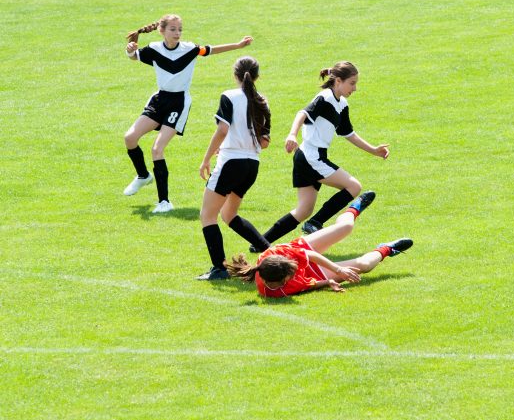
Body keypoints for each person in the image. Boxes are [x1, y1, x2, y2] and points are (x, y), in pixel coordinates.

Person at [123, 14, 253, 213]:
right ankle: (143, 176)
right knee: (130, 138)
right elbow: (134, 57)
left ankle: (164, 202)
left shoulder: (190, 49)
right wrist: (130, 50)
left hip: (179, 103)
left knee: (157, 149)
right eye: (173, 29)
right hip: (159, 100)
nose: (177, 33)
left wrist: (237, 45)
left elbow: (210, 50)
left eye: (179, 29)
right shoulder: (154, 49)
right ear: (162, 31)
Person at [254, 61, 390, 248]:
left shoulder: (341, 104)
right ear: (338, 81)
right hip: (312, 157)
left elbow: (348, 133)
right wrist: (292, 134)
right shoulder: (324, 97)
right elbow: (302, 113)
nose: (355, 88)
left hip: (306, 157)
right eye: (352, 83)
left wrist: (373, 150)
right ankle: (315, 223)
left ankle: (260, 243)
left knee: (303, 210)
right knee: (353, 186)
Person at [224, 191, 413, 297]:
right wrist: (328, 281)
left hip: (304, 249)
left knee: (346, 227)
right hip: (315, 272)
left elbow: (311, 256)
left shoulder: (276, 254)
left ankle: (355, 207)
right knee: (364, 265)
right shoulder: (277, 291)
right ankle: (388, 248)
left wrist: (339, 271)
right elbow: (307, 285)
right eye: (291, 275)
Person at [195, 57, 272, 281]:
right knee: (228, 214)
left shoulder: (229, 96)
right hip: (251, 165)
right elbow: (264, 142)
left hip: (230, 163)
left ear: (235, 74)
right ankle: (269, 252)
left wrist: (207, 158)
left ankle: (219, 269)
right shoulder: (261, 101)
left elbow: (222, 129)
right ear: (256, 76)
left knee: (207, 215)